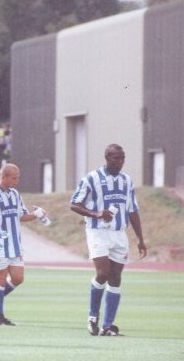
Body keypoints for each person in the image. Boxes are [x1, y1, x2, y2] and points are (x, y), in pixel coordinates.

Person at [70, 143, 147, 336]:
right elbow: (74, 204)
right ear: (107, 158)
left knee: (116, 278)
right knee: (103, 273)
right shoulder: (91, 178)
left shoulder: (127, 181)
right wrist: (96, 214)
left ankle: (107, 326)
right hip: (98, 232)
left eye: (122, 158)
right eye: (116, 158)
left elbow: (132, 210)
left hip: (119, 234)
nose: (120, 162)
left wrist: (140, 238)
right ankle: (92, 317)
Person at [0, 163, 45, 326]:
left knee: (18, 278)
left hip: (14, 243)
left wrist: (37, 214)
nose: (17, 181)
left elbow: (21, 216)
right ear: (4, 177)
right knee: (0, 279)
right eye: (15, 178)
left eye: (18, 177)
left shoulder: (15, 194)